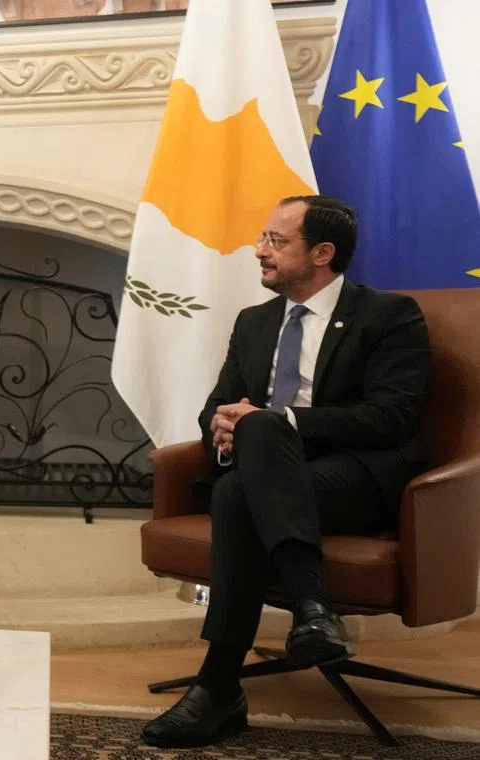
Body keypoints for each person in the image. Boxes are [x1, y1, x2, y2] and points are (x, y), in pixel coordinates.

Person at [142, 195, 431, 748]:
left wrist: (277, 423)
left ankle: (220, 686)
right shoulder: (254, 322)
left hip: (353, 477)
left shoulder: (389, 316)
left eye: (276, 241)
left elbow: (389, 417)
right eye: (263, 238)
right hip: (266, 477)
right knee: (238, 484)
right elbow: (216, 408)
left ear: (322, 253)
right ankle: (312, 613)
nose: (259, 251)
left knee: (254, 455)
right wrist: (227, 427)